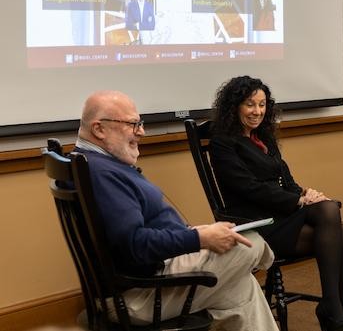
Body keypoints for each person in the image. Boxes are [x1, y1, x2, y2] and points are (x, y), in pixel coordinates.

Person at [74, 90, 279, 330]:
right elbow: (134, 244)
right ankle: (266, 260)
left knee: (242, 287)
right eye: (132, 124)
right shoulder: (103, 175)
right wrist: (199, 238)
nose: (141, 132)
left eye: (139, 124)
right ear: (99, 129)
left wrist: (195, 232)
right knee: (250, 242)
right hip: (141, 294)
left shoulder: (91, 163)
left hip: (152, 276)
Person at [209, 76, 343, 331]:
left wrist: (305, 193)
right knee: (332, 216)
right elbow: (249, 188)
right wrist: (298, 202)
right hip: (254, 222)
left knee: (341, 230)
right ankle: (334, 312)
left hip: (280, 214)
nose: (257, 111)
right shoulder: (223, 142)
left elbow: (285, 179)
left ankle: (336, 310)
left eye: (262, 104)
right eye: (250, 105)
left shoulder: (263, 137)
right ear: (235, 106)